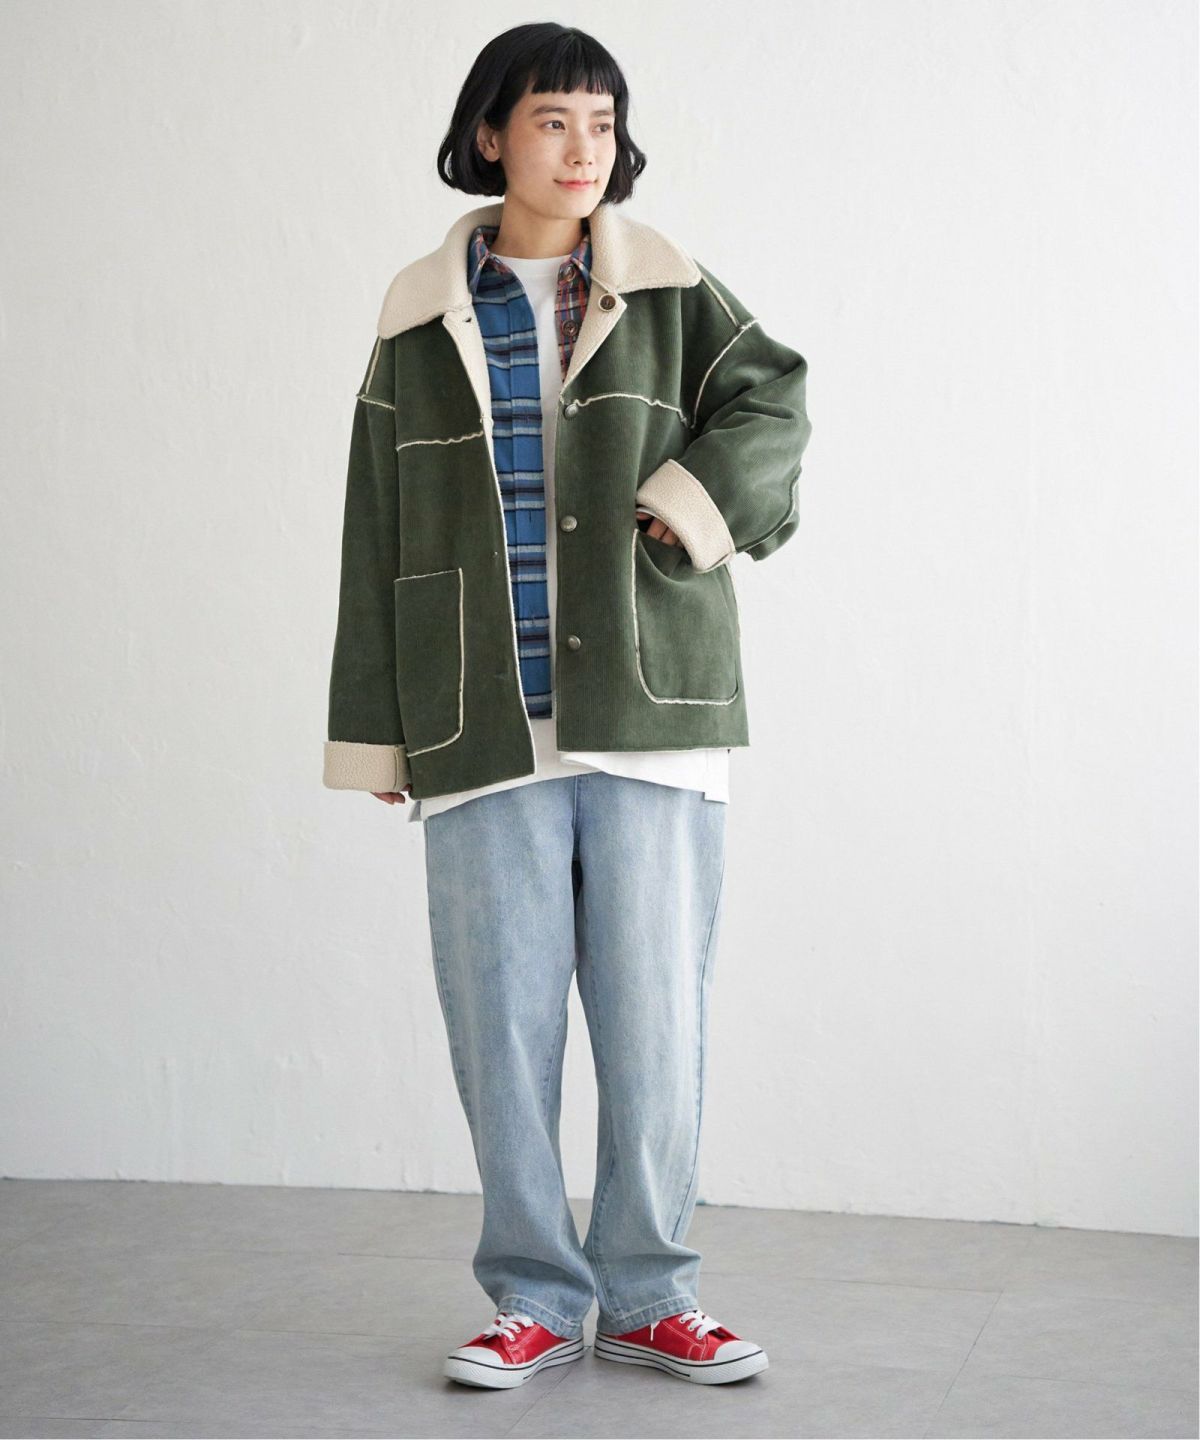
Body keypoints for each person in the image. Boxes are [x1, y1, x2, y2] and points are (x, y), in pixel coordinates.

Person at [323, 22, 813, 1389]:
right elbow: (374, 525)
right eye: (552, 120)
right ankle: (533, 1297)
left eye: (601, 122)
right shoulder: (417, 315)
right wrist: (378, 724)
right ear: (491, 135)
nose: (583, 148)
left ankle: (653, 1295)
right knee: (502, 1032)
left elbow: (775, 401)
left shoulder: (669, 287)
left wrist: (690, 505)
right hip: (479, 717)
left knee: (657, 1028)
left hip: (651, 711)